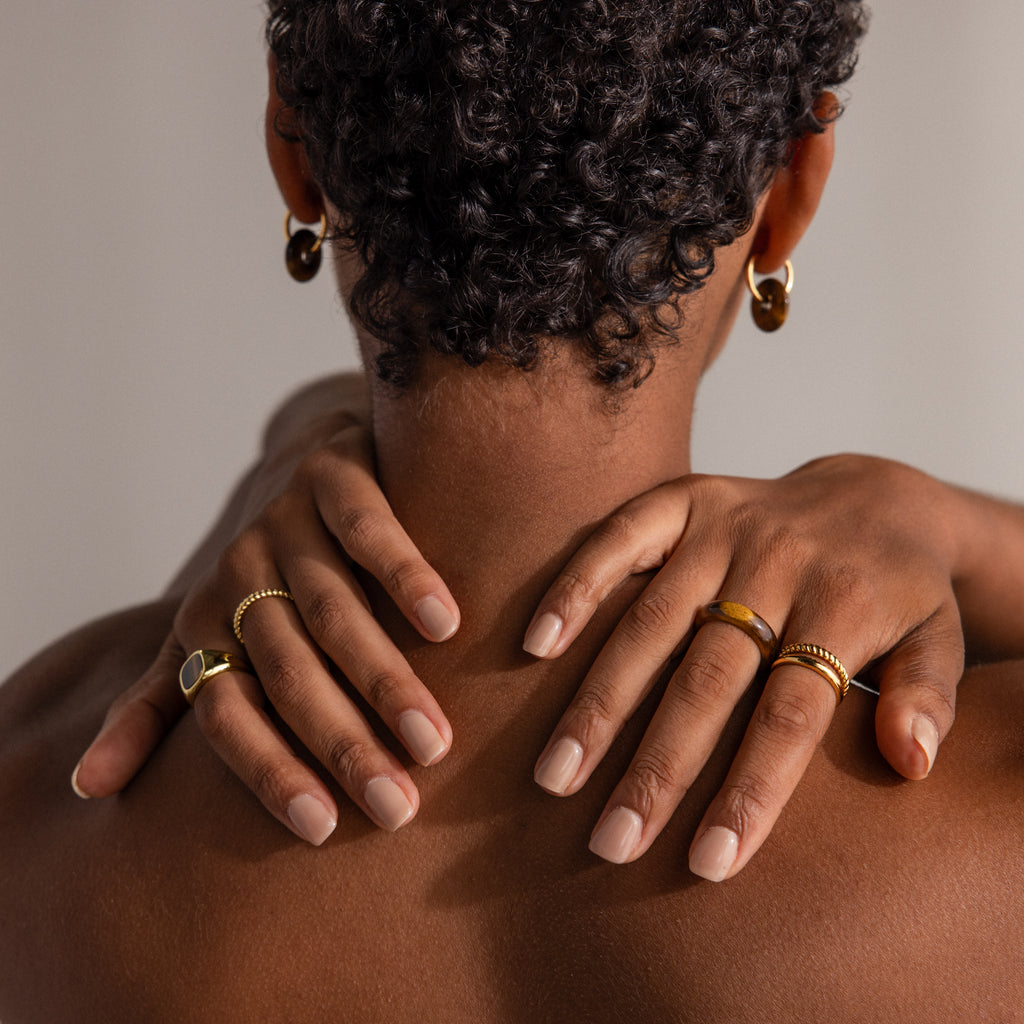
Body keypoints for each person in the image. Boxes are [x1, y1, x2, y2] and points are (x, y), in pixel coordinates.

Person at [1, 2, 1023, 1018]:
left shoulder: (48, 778)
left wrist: (301, 437)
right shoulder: (983, 815)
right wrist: (951, 528)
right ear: (793, 186)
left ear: (294, 149)